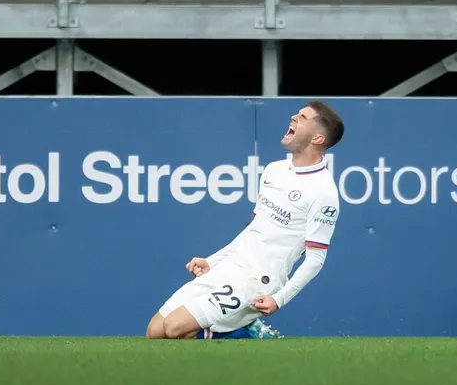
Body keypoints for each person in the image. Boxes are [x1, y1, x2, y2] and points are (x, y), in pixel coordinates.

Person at [146, 100, 345, 340]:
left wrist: (279, 299)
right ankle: (240, 328)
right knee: (155, 332)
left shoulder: (323, 192)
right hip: (232, 266)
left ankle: (245, 331)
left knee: (175, 329)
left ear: (317, 139)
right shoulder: (274, 170)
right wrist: (213, 261)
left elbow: (315, 259)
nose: (293, 117)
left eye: (303, 117)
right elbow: (254, 229)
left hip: (257, 280)